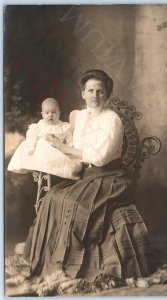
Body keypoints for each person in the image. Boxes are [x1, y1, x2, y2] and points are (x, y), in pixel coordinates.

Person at [23, 70, 157, 289]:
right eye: (90, 90)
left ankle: (78, 266)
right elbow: (74, 145)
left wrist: (64, 148)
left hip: (111, 176)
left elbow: (100, 157)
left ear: (108, 94)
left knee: (76, 204)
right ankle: (49, 262)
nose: (95, 95)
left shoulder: (112, 120)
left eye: (100, 91)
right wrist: (53, 143)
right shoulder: (79, 116)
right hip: (87, 175)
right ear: (83, 93)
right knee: (53, 197)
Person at [7, 98, 83, 179]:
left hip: (57, 151)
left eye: (54, 112)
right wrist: (31, 147)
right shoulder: (40, 125)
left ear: (59, 113)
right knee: (41, 144)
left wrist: (70, 148)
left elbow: (69, 140)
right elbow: (31, 137)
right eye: (47, 113)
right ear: (42, 114)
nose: (50, 115)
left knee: (70, 164)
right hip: (43, 151)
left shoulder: (63, 127)